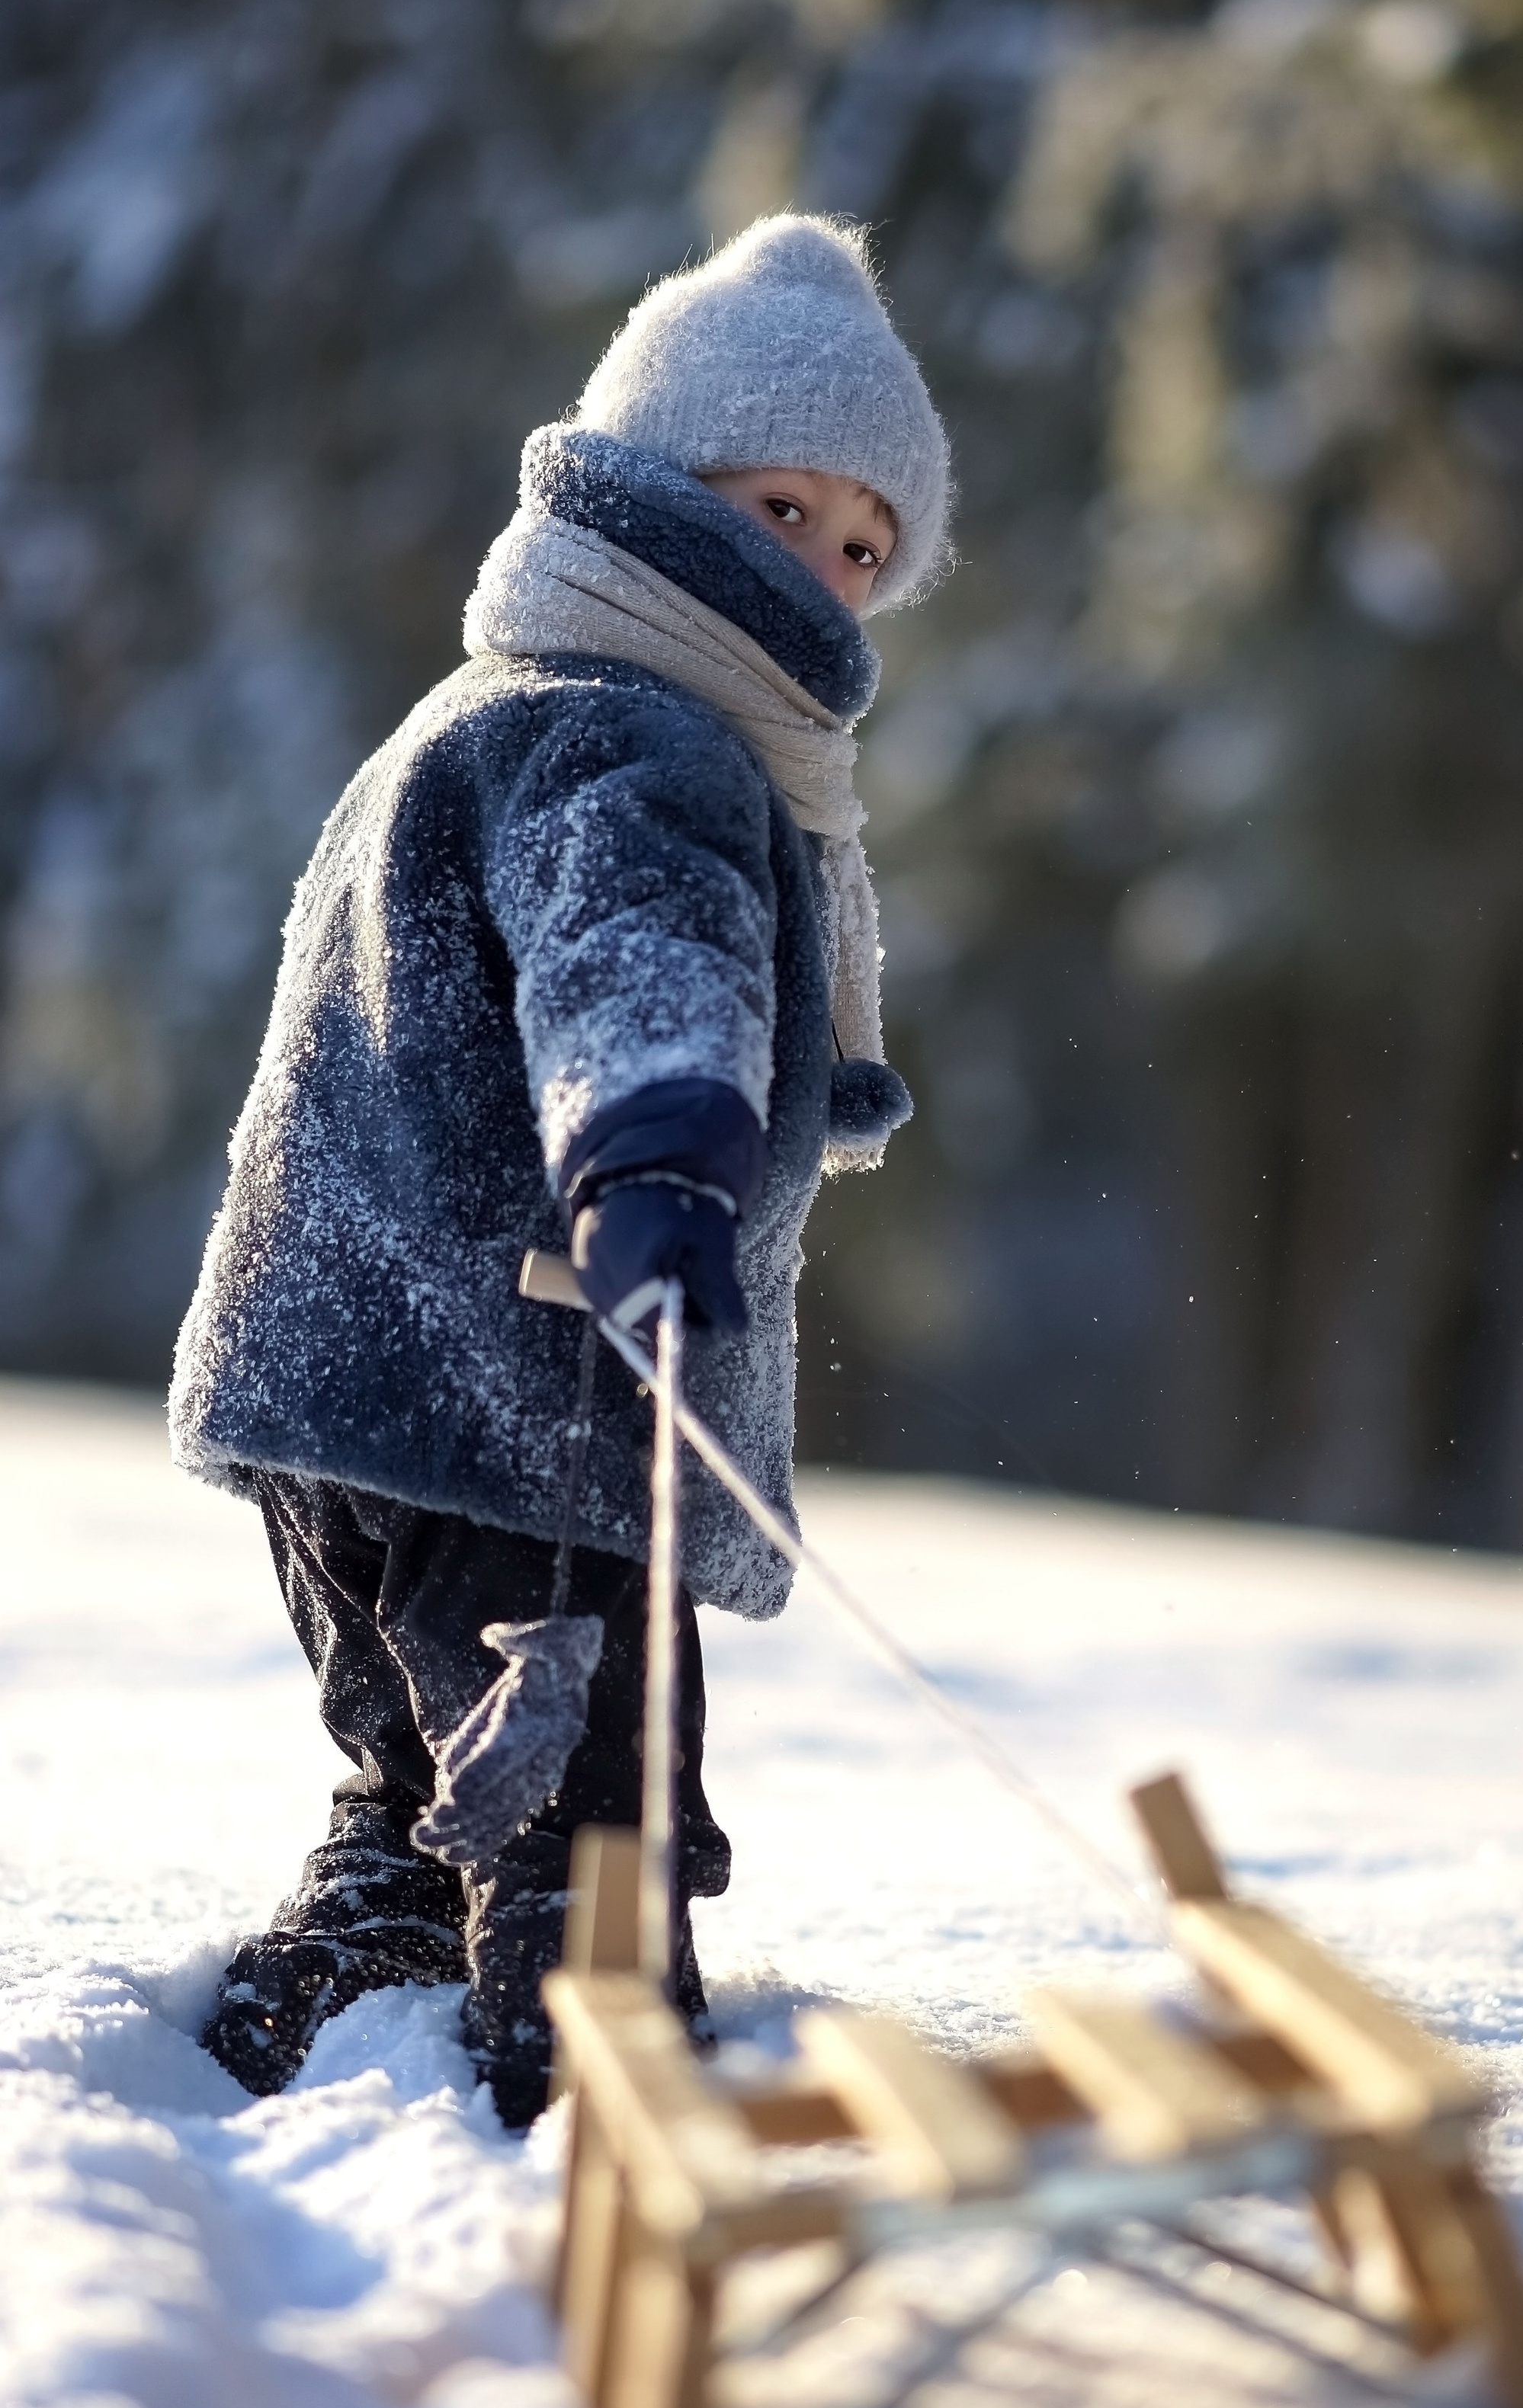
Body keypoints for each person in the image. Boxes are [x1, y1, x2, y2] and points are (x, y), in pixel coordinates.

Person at [168, 213, 951, 2125]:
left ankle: (347, 1965)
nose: (827, 574)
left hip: (336, 1377)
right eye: (786, 510)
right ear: (660, 488)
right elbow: (635, 962)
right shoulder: (641, 741)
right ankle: (588, 2127)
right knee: (591, 1840)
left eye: (867, 548)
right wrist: (654, 1158)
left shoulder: (489, 705)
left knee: (430, 1775)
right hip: (518, 1406)